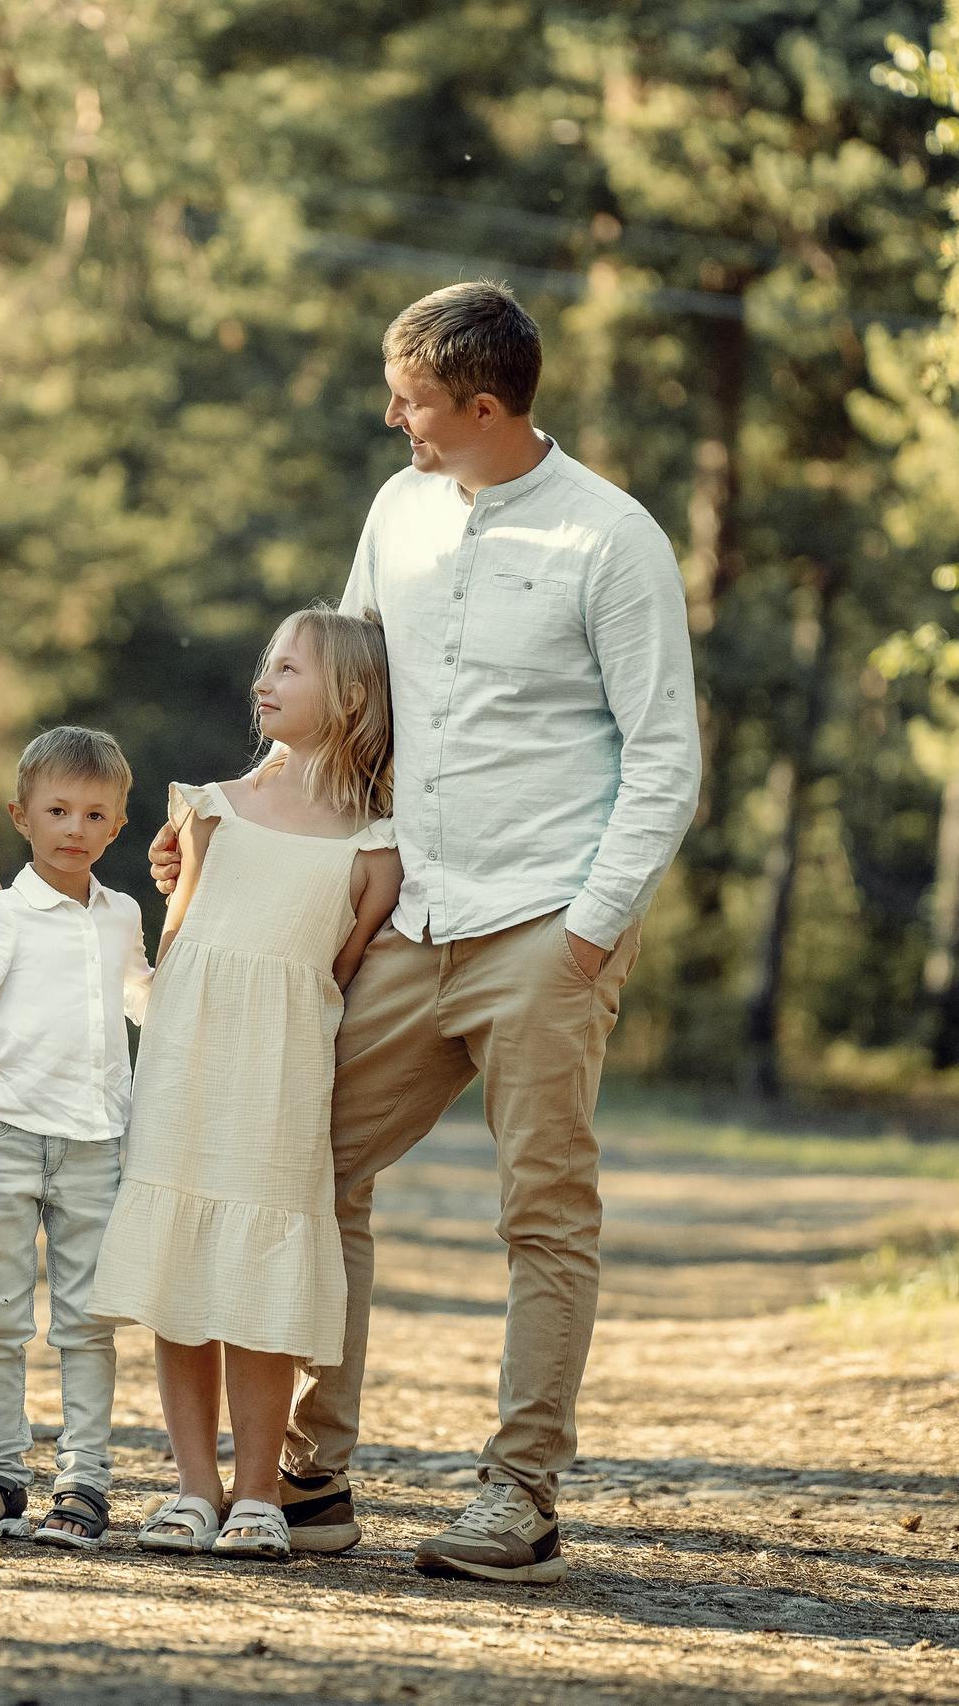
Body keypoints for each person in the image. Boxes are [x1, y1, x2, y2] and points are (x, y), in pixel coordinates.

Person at [150, 283, 701, 1584]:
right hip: (409, 910)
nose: (394, 418)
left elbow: (664, 754)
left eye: (414, 401)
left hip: (543, 927)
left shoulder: (612, 542)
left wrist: (590, 929)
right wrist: (239, 827)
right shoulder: (397, 511)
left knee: (543, 1209)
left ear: (489, 406)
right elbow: (345, 704)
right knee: (304, 1150)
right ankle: (313, 1467)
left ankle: (520, 1491)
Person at [94, 608, 402, 1561]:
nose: (262, 682)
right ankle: (194, 1487)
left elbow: (339, 971)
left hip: (280, 1070)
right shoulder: (210, 805)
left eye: (288, 669)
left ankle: (261, 1492)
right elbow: (179, 937)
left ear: (349, 697)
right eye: (264, 666)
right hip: (189, 1054)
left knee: (260, 1273)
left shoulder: (375, 844)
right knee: (183, 1267)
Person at [0, 726, 152, 1551]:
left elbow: (144, 1002)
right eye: (58, 809)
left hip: (95, 1142)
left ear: (118, 825)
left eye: (95, 814)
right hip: (1, 1139)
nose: (74, 828)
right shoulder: (0, 915)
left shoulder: (120, 914)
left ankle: (85, 1480)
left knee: (89, 1320)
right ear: (21, 814)